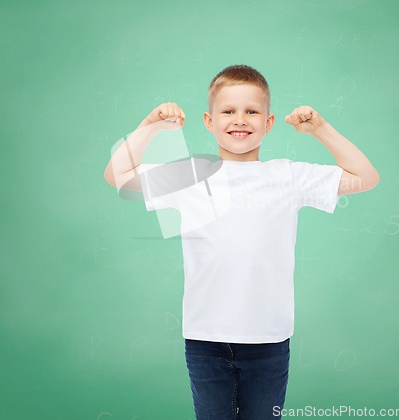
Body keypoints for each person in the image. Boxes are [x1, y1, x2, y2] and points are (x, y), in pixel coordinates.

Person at [103, 64, 380, 419]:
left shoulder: (287, 175)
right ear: (208, 120)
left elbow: (365, 177)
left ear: (268, 122)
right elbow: (118, 174)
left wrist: (320, 130)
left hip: (268, 339)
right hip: (205, 339)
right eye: (228, 111)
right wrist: (151, 125)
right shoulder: (190, 175)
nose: (241, 119)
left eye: (252, 111)